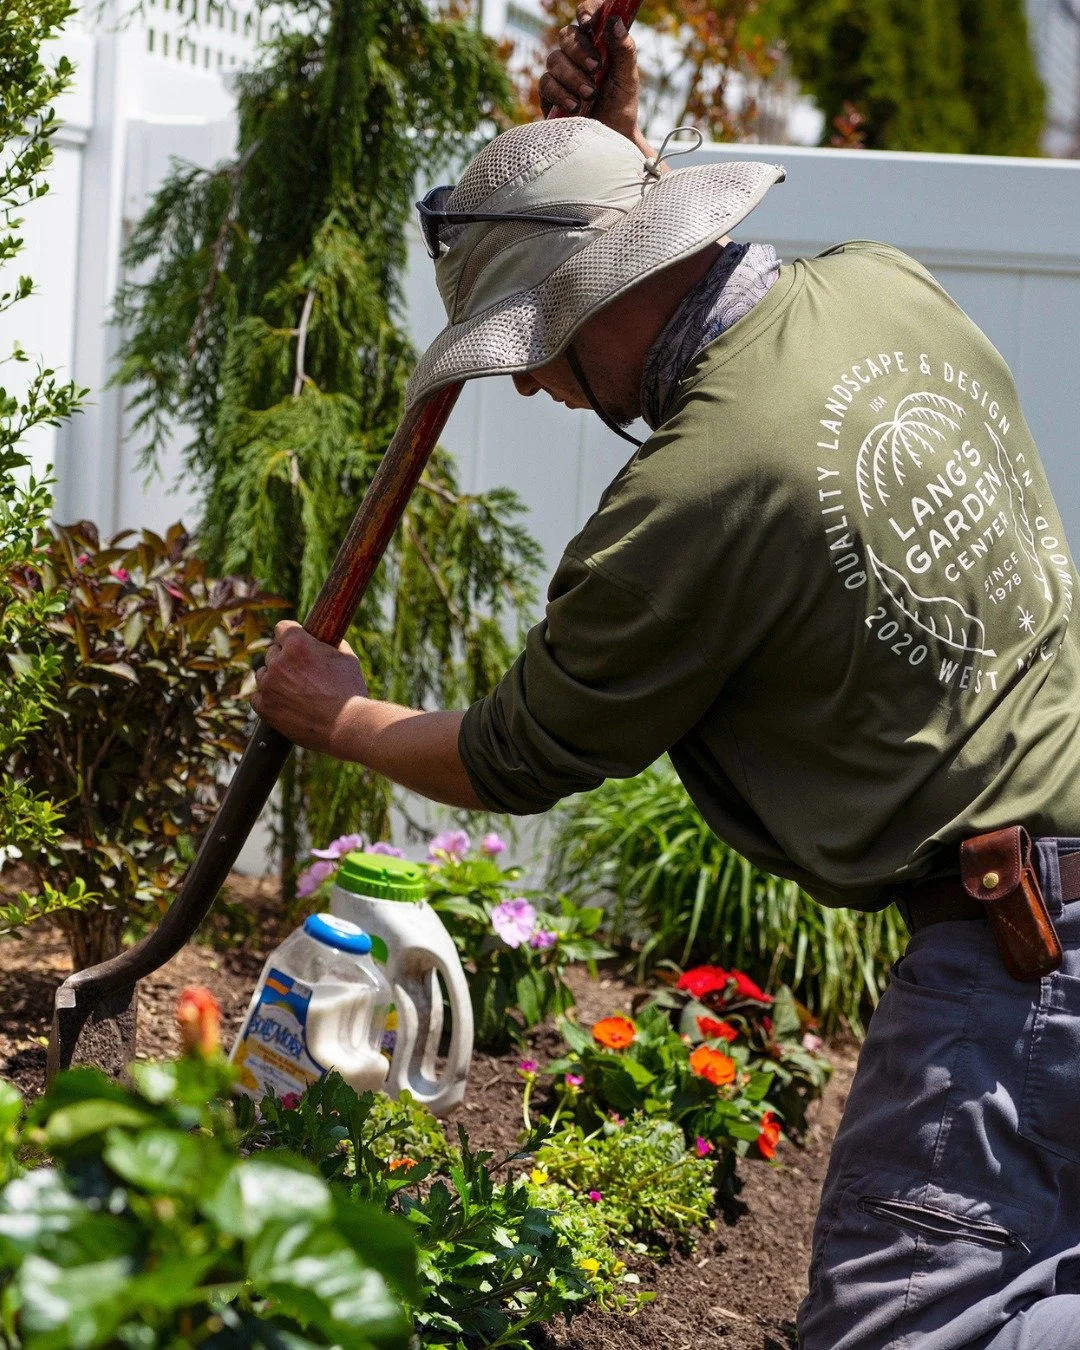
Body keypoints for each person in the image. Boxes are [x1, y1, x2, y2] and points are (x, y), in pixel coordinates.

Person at [250, 4, 1080, 1345]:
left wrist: (333, 711)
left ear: (584, 304)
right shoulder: (882, 282)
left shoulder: (690, 495)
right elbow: (695, 312)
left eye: (531, 345)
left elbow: (518, 751)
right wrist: (613, 160)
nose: (529, 390)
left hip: (1014, 974)